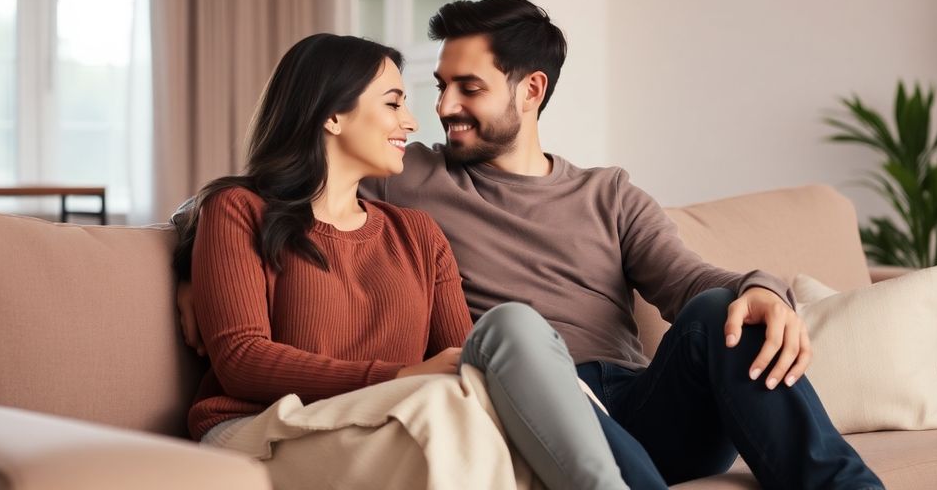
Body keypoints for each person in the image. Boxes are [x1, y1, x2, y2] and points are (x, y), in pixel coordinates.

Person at [177, 0, 884, 490]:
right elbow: (282, 189)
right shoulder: (414, 175)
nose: (443, 107)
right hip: (521, 392)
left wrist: (762, 286)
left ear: (529, 90)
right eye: (435, 86)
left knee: (720, 313)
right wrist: (192, 268)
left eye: (467, 87)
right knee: (516, 334)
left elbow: (687, 279)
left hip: (634, 407)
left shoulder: (608, 194)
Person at [174, 32, 628, 490]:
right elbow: (241, 360)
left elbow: (462, 367)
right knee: (442, 411)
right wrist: (402, 375)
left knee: (479, 401)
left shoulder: (418, 233)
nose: (411, 121)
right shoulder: (239, 209)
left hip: (392, 414)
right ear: (332, 114)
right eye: (393, 104)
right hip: (262, 425)